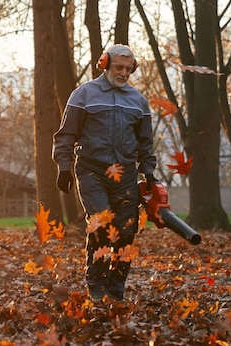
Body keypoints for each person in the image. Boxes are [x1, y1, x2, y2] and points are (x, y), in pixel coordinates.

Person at [52, 44, 157, 302]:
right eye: (118, 67)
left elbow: (145, 142)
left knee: (126, 231)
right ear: (106, 64)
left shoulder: (138, 102)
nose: (123, 72)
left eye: (128, 69)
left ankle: (116, 286)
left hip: (126, 176)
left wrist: (149, 171)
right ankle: (96, 284)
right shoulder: (83, 95)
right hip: (92, 171)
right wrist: (63, 167)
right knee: (100, 221)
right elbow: (65, 134)